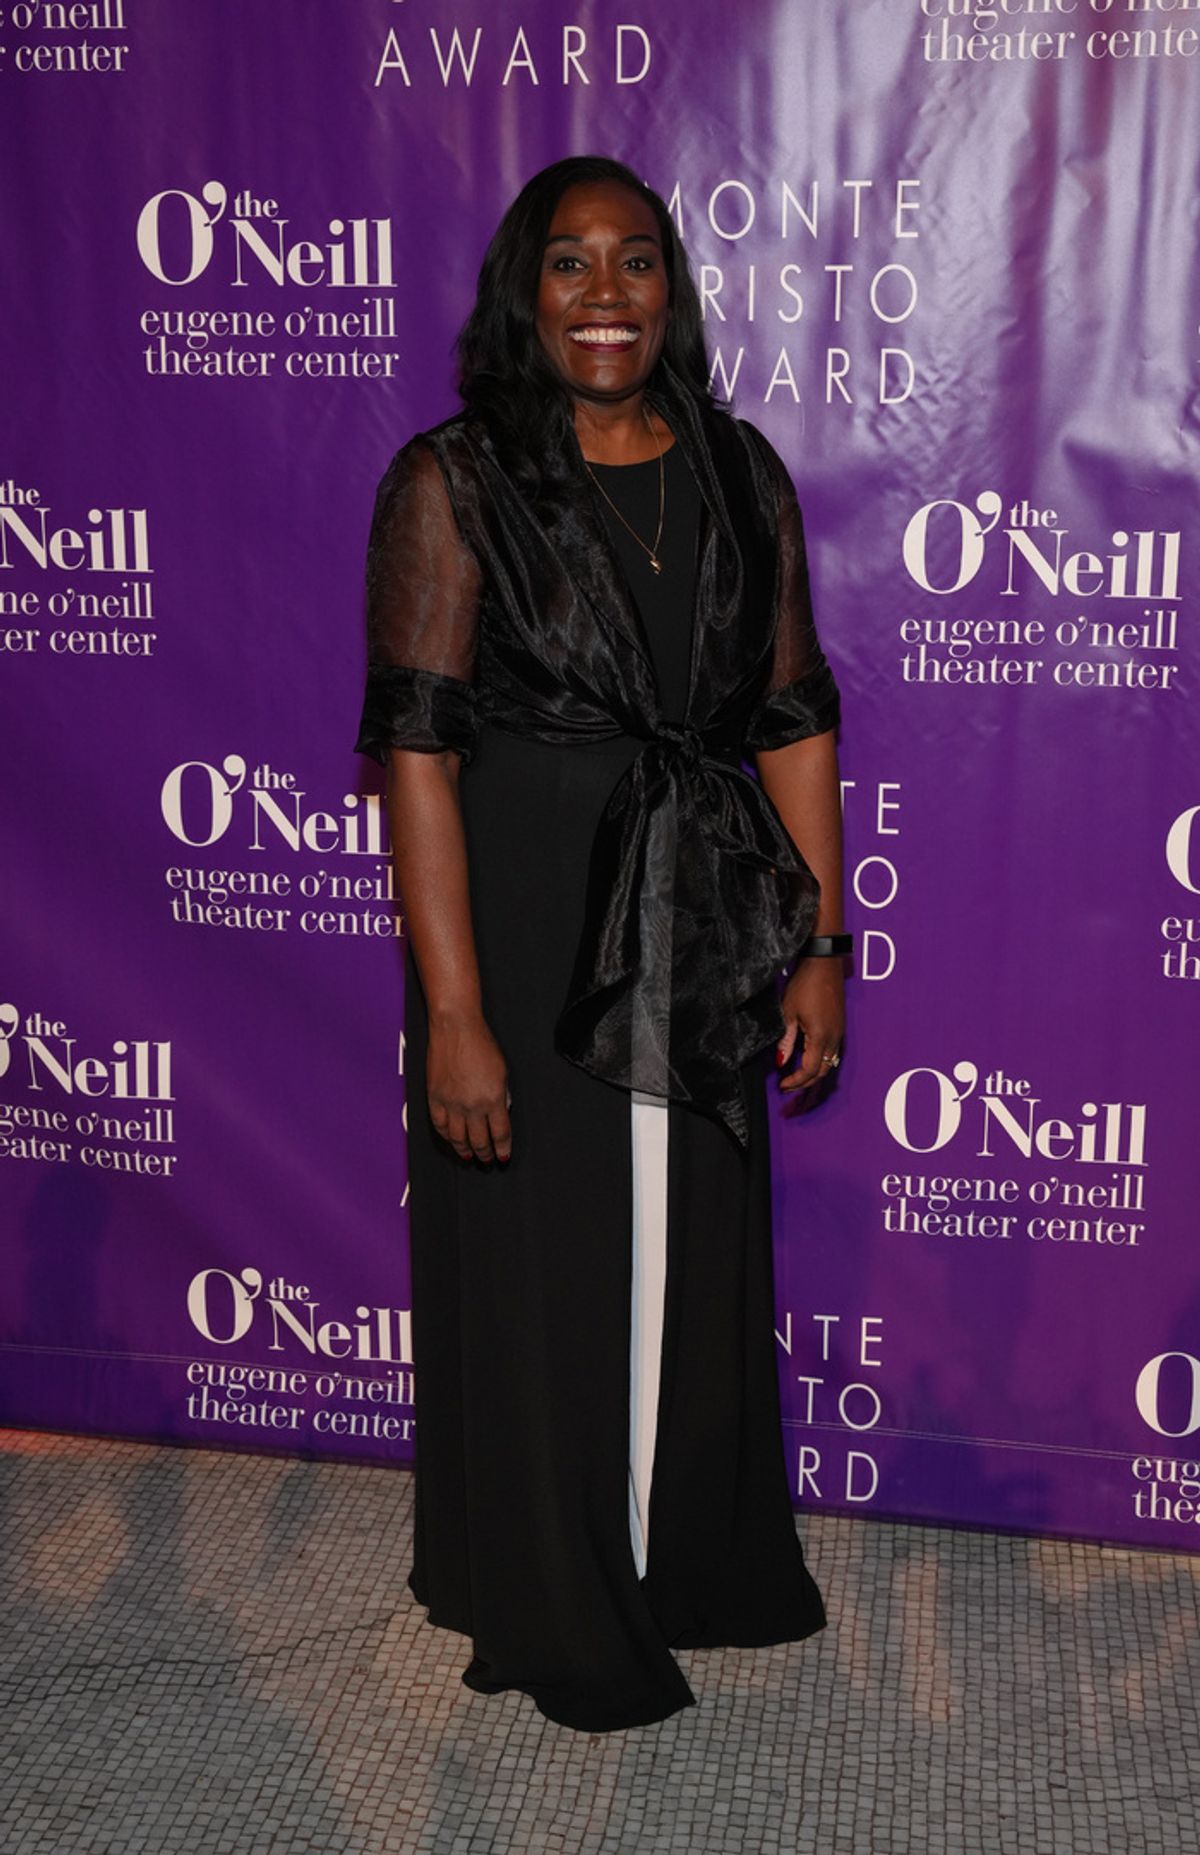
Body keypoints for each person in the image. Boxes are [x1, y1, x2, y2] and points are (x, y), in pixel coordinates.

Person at [356, 155, 848, 1733]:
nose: (606, 294)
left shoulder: (739, 469)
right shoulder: (450, 478)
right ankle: (554, 1593)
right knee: (543, 1253)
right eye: (570, 264)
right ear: (523, 289)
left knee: (692, 1243)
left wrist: (821, 939)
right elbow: (416, 754)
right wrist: (456, 1013)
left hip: (702, 897)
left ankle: (683, 1557)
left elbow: (789, 717)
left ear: (673, 290)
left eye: (636, 262)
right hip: (524, 901)